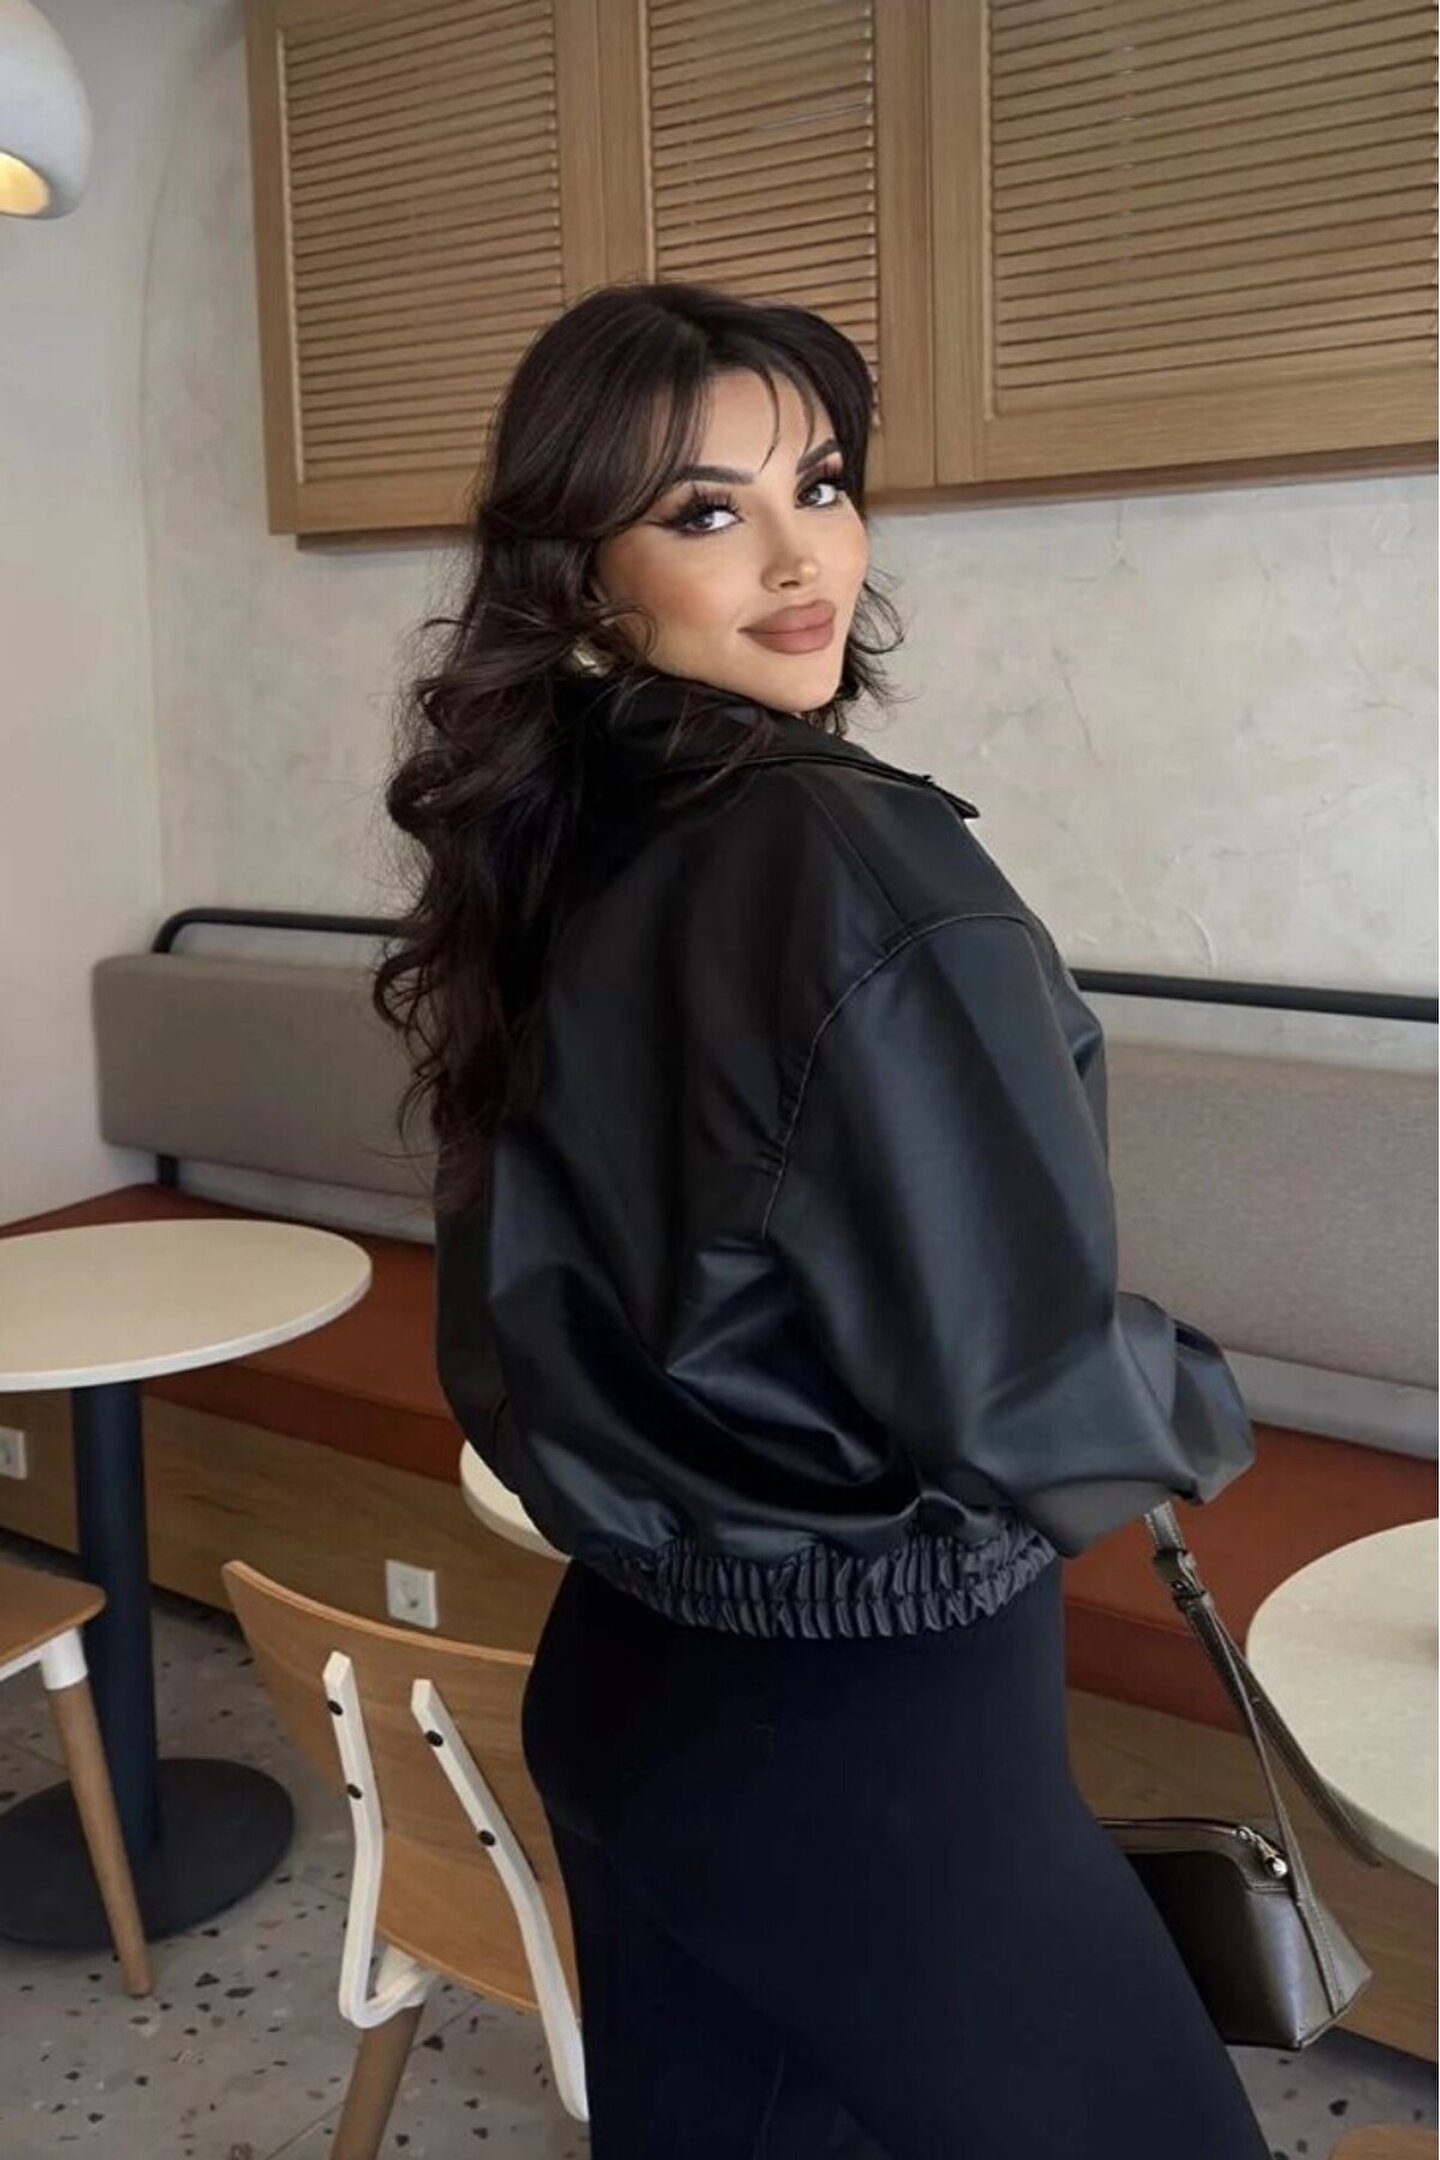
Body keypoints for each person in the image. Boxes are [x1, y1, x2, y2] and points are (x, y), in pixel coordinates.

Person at [373, 281, 1271, 2159]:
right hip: (876, 1760)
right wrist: (1195, 1401)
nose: (803, 559)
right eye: (708, 510)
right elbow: (1022, 1391)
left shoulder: (562, 831)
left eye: (826, 485)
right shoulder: (856, 866)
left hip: (630, 1687)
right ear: (585, 565)